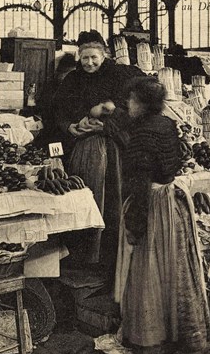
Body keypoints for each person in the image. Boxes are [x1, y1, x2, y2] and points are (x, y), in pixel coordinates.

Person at [106, 77, 210, 354]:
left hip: (153, 205)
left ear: (142, 104)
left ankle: (150, 343)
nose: (126, 104)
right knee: (174, 272)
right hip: (173, 203)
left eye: (130, 100)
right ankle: (182, 336)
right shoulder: (165, 124)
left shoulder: (143, 134)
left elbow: (140, 182)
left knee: (147, 273)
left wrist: (135, 223)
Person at [52, 30, 144, 273]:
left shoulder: (121, 76)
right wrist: (70, 126)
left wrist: (108, 121)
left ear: (104, 55)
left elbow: (133, 109)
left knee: (113, 199)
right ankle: (85, 254)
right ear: (78, 58)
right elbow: (58, 111)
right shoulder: (72, 80)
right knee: (85, 194)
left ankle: (110, 256)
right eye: (85, 58)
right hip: (82, 148)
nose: (89, 63)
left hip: (113, 147)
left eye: (94, 57)